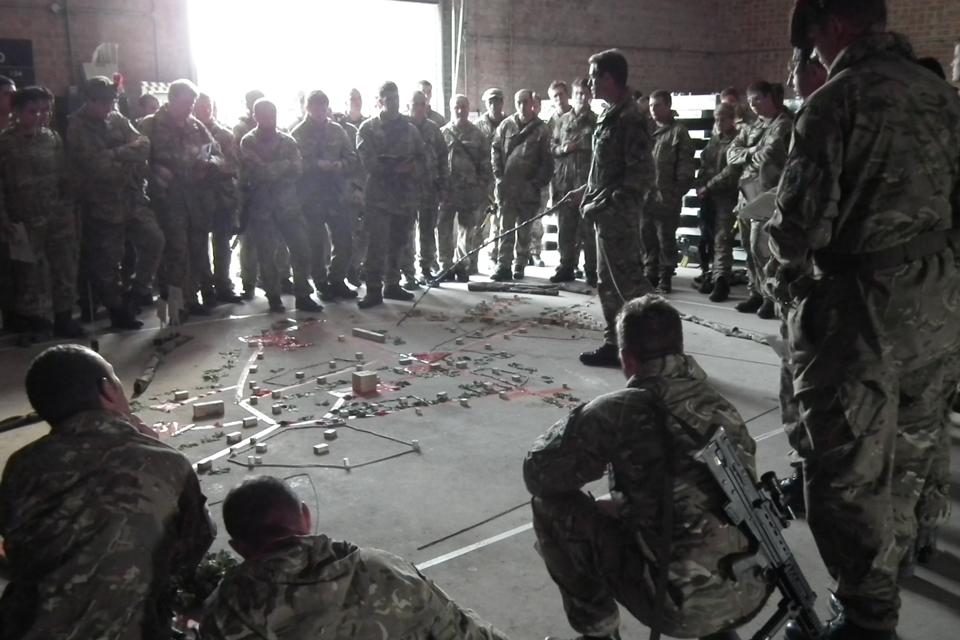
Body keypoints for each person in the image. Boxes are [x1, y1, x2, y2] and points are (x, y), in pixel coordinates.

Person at [770, 2, 960, 638]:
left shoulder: (834, 105)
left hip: (862, 315)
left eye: (815, 36)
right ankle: (887, 586)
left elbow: (799, 230)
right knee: (909, 461)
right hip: (936, 308)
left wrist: (779, 263)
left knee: (843, 475)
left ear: (837, 25)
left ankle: (867, 617)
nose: (814, 52)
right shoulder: (942, 97)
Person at [525, 295, 772, 640]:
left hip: (675, 607)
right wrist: (627, 508)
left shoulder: (621, 410)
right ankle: (718, 631)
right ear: (680, 349)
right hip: (752, 587)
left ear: (627, 359)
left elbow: (540, 476)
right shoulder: (720, 406)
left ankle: (598, 631)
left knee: (549, 506)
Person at [0, 344, 216, 639]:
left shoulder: (20, 466)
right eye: (117, 381)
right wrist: (157, 448)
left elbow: (16, 547)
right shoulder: (164, 461)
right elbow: (196, 542)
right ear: (107, 390)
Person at [200, 476, 508, 640]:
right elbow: (460, 631)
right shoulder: (385, 570)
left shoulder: (224, 614)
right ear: (306, 517)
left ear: (239, 547)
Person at [564, 50, 655, 367]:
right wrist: (585, 191)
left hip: (620, 219)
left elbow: (639, 179)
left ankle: (654, 345)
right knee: (607, 285)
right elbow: (605, 170)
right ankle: (615, 343)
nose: (589, 82)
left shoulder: (631, 118)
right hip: (605, 216)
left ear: (608, 78)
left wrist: (598, 204)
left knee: (630, 285)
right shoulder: (610, 114)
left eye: (592, 76)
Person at [68, 76, 165, 331]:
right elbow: (99, 169)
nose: (110, 108)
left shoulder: (116, 118)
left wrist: (115, 153)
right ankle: (117, 309)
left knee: (155, 240)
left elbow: (143, 144)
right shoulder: (76, 128)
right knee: (108, 263)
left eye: (113, 102)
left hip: (131, 199)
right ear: (90, 101)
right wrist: (125, 157)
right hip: (102, 205)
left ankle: (136, 293)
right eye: (105, 103)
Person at [0, 86, 84, 341]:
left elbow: (66, 176)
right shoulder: (5, 144)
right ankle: (39, 321)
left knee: (64, 267)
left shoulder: (53, 138)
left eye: (45, 110)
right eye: (33, 111)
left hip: (58, 217)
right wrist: (3, 217)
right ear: (17, 112)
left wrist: (69, 205)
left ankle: (63, 317)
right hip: (24, 219)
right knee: (31, 273)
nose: (40, 116)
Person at [138, 79, 224, 318]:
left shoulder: (197, 127)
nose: (190, 108)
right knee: (175, 252)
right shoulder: (151, 125)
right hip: (167, 201)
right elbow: (137, 160)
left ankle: (191, 297)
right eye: (186, 102)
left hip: (195, 201)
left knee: (196, 250)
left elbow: (218, 154)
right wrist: (155, 171)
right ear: (172, 99)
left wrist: (210, 164)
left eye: (192, 103)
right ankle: (175, 304)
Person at [238, 99, 323, 314]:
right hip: (263, 209)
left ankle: (303, 294)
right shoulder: (248, 142)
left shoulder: (288, 140)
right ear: (256, 117)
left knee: (302, 250)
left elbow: (297, 170)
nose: (271, 120)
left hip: (289, 207)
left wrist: (274, 168)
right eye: (266, 115)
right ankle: (273, 297)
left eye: (273, 115)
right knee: (267, 256)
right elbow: (256, 173)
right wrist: (282, 166)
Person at [356, 81, 425, 308]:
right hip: (379, 198)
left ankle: (392, 284)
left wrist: (414, 169)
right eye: (388, 99)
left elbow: (424, 159)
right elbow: (367, 163)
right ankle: (373, 289)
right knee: (376, 244)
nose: (393, 103)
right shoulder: (368, 129)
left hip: (404, 198)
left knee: (399, 243)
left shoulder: (411, 130)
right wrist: (395, 169)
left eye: (396, 98)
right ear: (380, 102)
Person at [727, 81, 792, 320]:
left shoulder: (783, 124)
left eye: (758, 99)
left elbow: (770, 154)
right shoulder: (752, 126)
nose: (753, 105)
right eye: (750, 100)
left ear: (769, 98)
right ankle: (755, 291)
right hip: (746, 194)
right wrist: (751, 152)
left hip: (767, 194)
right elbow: (731, 154)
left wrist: (749, 153)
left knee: (761, 246)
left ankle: (769, 297)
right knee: (747, 244)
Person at [290, 90, 360, 302]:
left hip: (336, 195)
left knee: (345, 241)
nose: (321, 114)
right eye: (316, 109)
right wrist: (316, 165)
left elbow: (352, 157)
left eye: (324, 109)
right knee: (316, 244)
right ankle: (320, 283)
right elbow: (294, 165)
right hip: (311, 197)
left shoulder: (338, 131)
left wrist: (340, 165)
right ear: (308, 109)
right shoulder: (298, 133)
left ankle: (337, 279)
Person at [489, 89, 553, 281]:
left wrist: (536, 184)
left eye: (525, 102)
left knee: (524, 229)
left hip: (528, 189)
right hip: (508, 188)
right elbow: (495, 151)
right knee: (505, 228)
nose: (522, 106)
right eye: (518, 103)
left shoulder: (542, 130)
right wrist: (499, 177)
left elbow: (547, 162)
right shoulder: (506, 126)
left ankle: (520, 264)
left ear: (532, 103)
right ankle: (503, 265)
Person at [643, 90, 696, 293]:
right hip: (646, 197)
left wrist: (677, 192)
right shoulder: (646, 131)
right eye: (651, 106)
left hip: (667, 197)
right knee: (646, 237)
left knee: (665, 239)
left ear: (668, 106)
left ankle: (666, 275)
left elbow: (686, 166)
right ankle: (651, 272)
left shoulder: (679, 133)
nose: (653, 110)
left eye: (658, 106)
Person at [193, 92, 243, 304]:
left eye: (208, 106)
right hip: (196, 200)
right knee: (199, 246)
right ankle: (206, 288)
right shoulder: (188, 132)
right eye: (201, 106)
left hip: (222, 199)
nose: (206, 110)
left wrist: (211, 167)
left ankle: (224, 285)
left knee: (222, 245)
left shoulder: (224, 135)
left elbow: (232, 165)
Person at [549, 78, 598, 285]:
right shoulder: (561, 121)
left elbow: (601, 154)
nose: (581, 97)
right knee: (566, 230)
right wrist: (563, 149)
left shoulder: (597, 121)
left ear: (591, 95)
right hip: (564, 183)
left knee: (589, 230)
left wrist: (579, 144)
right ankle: (566, 266)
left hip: (586, 184)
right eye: (578, 93)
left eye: (584, 93)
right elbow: (552, 147)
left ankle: (592, 270)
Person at [438, 94, 489, 282]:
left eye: (464, 107)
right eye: (456, 107)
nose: (460, 111)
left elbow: (485, 163)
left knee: (468, 229)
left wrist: (482, 187)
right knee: (443, 227)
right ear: (451, 109)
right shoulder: (442, 134)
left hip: (469, 192)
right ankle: (445, 264)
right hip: (448, 191)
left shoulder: (478, 135)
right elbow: (436, 162)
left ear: (469, 108)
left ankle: (463, 265)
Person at [694, 103, 742, 302]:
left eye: (723, 119)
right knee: (710, 238)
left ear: (732, 119)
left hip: (726, 197)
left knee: (723, 239)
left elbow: (731, 171)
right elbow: (704, 165)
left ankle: (722, 280)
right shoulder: (714, 141)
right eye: (717, 119)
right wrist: (700, 185)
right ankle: (712, 275)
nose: (719, 123)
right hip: (709, 198)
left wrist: (710, 186)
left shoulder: (737, 141)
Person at [402, 90, 449, 287]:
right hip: (406, 189)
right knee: (406, 231)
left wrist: (444, 185)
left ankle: (426, 268)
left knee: (428, 230)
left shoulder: (433, 129)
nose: (420, 108)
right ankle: (408, 272)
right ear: (408, 106)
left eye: (423, 104)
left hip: (429, 187)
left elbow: (443, 158)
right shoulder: (401, 128)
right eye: (416, 104)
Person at [475, 87, 507, 273]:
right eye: (491, 102)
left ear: (502, 103)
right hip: (484, 180)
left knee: (501, 220)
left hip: (503, 179)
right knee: (480, 221)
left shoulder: (509, 123)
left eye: (497, 101)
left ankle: (496, 256)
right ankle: (473, 259)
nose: (494, 105)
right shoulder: (478, 126)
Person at [0, 75, 17, 334]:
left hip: (18, 205)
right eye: (7, 94)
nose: (13, 98)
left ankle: (14, 317)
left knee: (12, 268)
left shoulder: (18, 128)